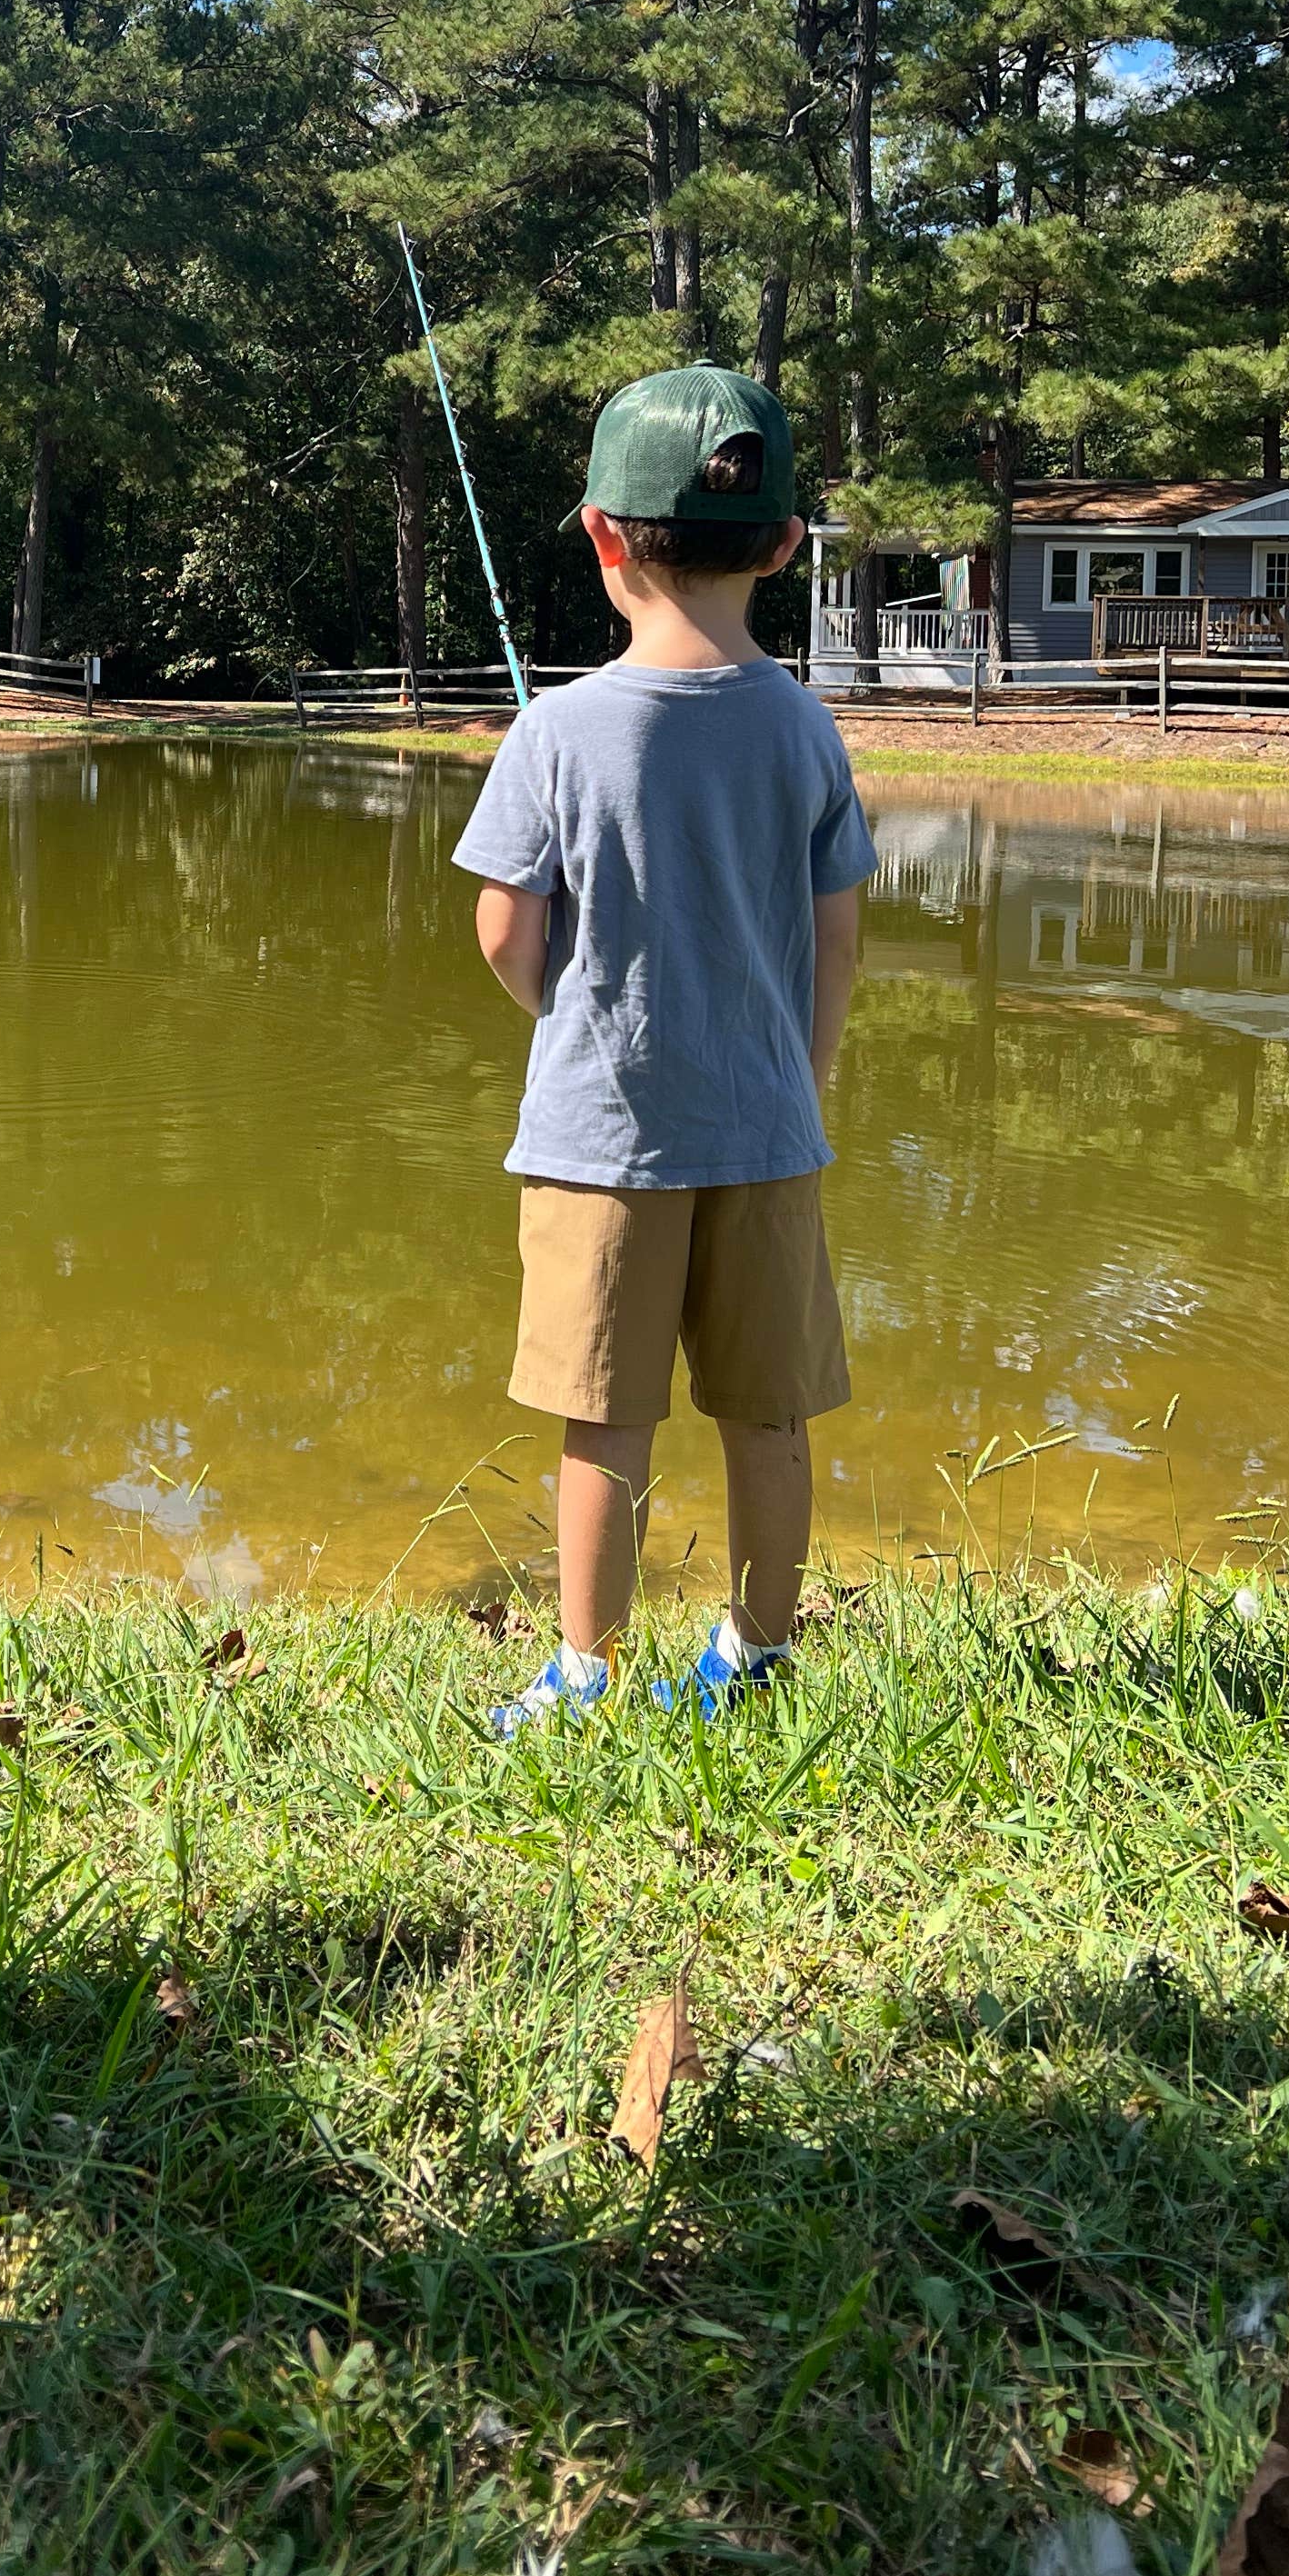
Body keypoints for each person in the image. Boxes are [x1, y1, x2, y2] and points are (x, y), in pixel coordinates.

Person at [450, 364, 875, 1730]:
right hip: (768, 1128)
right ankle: (759, 1654)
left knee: (604, 1414)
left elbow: (503, 928)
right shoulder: (807, 725)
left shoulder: (557, 729)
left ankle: (587, 1671)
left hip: (604, 1137)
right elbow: (837, 939)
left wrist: (564, 1014)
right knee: (769, 1411)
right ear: (786, 545)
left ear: (601, 535)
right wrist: (801, 1080)